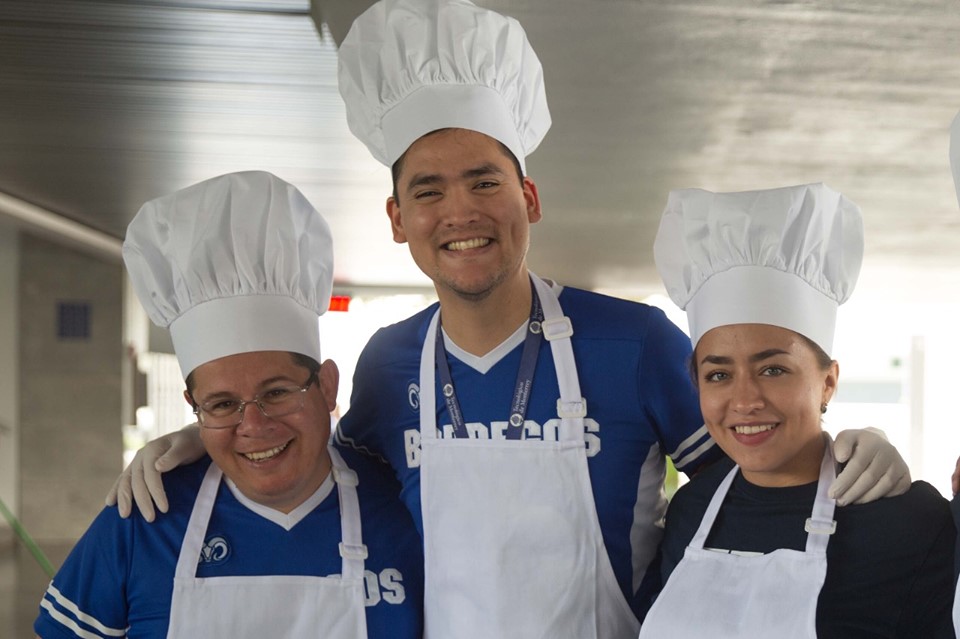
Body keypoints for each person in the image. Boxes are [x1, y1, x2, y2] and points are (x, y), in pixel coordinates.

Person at [106, 2, 912, 636]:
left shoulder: (633, 343)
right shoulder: (390, 365)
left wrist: (847, 456)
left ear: (527, 196)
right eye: (429, 189)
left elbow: (749, 482)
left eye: (485, 180)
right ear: (395, 217)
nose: (460, 210)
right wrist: (203, 447)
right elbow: (323, 476)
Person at [35, 171, 423, 638]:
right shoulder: (144, 520)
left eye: (277, 392)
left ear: (326, 386)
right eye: (222, 404)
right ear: (193, 407)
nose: (254, 424)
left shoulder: (407, 511)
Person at [641, 183, 955, 638]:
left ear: (828, 381)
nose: (745, 401)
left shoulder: (907, 519)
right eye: (718, 375)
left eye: (773, 370)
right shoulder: (692, 509)